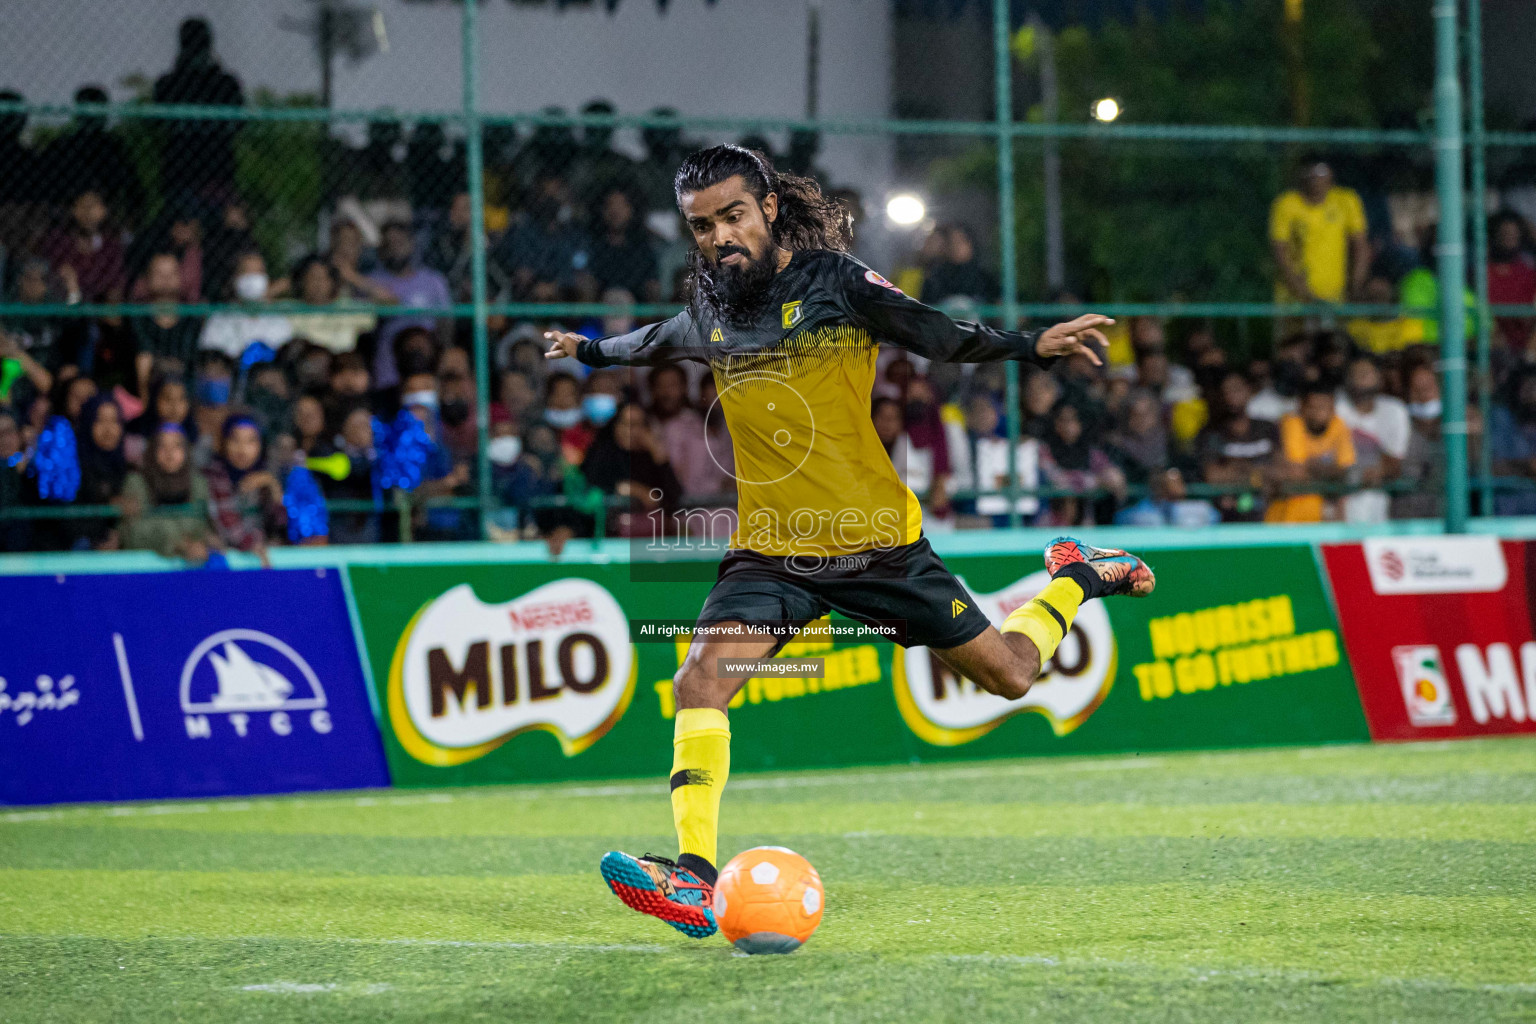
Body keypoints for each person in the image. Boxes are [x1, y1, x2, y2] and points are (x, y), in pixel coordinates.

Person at [542, 144, 1155, 938]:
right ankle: (692, 875)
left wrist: (1030, 345)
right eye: (703, 226)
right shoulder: (711, 309)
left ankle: (1075, 577)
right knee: (699, 682)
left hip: (879, 548)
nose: (721, 235)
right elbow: (651, 341)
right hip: (770, 554)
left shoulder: (835, 281)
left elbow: (936, 334)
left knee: (1010, 675)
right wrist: (585, 350)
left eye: (733, 215)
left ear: (767, 205)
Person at [153, 17, 244, 205]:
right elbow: (157, 122)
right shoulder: (170, 83)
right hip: (185, 169)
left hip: (211, 168)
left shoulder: (224, 83)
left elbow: (240, 122)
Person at [1269, 157, 1368, 306]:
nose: (1316, 179)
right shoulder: (1287, 204)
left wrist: (1355, 286)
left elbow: (1360, 246)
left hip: (1335, 295)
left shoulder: (1346, 200)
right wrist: (1299, 290)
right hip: (1294, 298)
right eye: (1311, 173)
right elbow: (1279, 250)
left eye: (1321, 172)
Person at [369, 221, 452, 389]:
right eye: (389, 244)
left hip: (429, 360)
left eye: (400, 242)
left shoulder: (433, 281)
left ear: (412, 244)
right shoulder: (373, 281)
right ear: (381, 249)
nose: (395, 249)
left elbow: (446, 322)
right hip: (389, 368)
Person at [1194, 370, 1278, 522]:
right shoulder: (1211, 433)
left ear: (1249, 391)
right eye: (1225, 392)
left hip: (1272, 515)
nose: (1230, 397)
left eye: (1236, 390)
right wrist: (1257, 474)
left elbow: (1284, 470)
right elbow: (1213, 476)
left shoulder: (1268, 428)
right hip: (1227, 518)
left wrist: (1236, 470)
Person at [120, 424, 213, 560]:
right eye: (162, 446)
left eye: (177, 446)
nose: (170, 453)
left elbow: (203, 525)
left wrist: (201, 543)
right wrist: (179, 543)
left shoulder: (198, 483)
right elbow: (132, 532)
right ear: (152, 450)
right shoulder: (136, 482)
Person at [1335, 354, 1409, 524]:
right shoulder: (1335, 407)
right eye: (1356, 373)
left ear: (1379, 377)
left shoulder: (1395, 410)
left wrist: (1379, 470)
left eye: (1367, 373)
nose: (1361, 379)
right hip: (1339, 495)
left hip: (1378, 497)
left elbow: (1395, 461)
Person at [1266, 384, 1355, 523]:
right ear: (1302, 407)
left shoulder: (1339, 425)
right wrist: (1327, 470)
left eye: (1323, 407)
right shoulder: (1292, 423)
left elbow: (1345, 469)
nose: (1317, 412)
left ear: (1332, 408)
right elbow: (1295, 471)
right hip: (1286, 513)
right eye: (1312, 407)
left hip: (1321, 513)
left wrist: (1311, 468)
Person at [204, 415, 285, 560]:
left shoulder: (267, 473)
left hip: (263, 553)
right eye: (235, 440)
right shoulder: (215, 474)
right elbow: (228, 524)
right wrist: (255, 544)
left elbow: (282, 525)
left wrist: (273, 487)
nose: (242, 449)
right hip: (228, 559)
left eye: (251, 441)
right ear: (224, 443)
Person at [198, 251, 294, 359]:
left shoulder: (278, 319)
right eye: (246, 272)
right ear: (234, 279)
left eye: (258, 272)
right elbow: (211, 358)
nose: (253, 279)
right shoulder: (219, 319)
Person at [129, 252, 202, 393]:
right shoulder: (137, 316)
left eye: (171, 273)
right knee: (144, 361)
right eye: (159, 274)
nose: (166, 279)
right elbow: (143, 353)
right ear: (147, 279)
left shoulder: (192, 317)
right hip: (150, 384)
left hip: (185, 384)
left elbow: (189, 358)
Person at [284, 254, 377, 354]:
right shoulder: (289, 308)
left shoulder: (348, 307)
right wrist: (287, 282)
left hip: (342, 365)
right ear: (302, 281)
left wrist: (352, 277)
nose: (318, 284)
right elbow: (265, 301)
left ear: (333, 281)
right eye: (313, 277)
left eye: (324, 278)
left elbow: (390, 302)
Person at [1487, 211, 1536, 350]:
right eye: (1504, 234)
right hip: (1493, 344)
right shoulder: (1481, 273)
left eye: (1513, 235)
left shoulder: (1528, 273)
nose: (1509, 239)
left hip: (1524, 346)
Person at [1114, 467, 1220, 528]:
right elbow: (1120, 519)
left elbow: (1214, 518)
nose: (1173, 488)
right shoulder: (1138, 514)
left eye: (1178, 483)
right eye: (1165, 484)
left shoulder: (1201, 508)